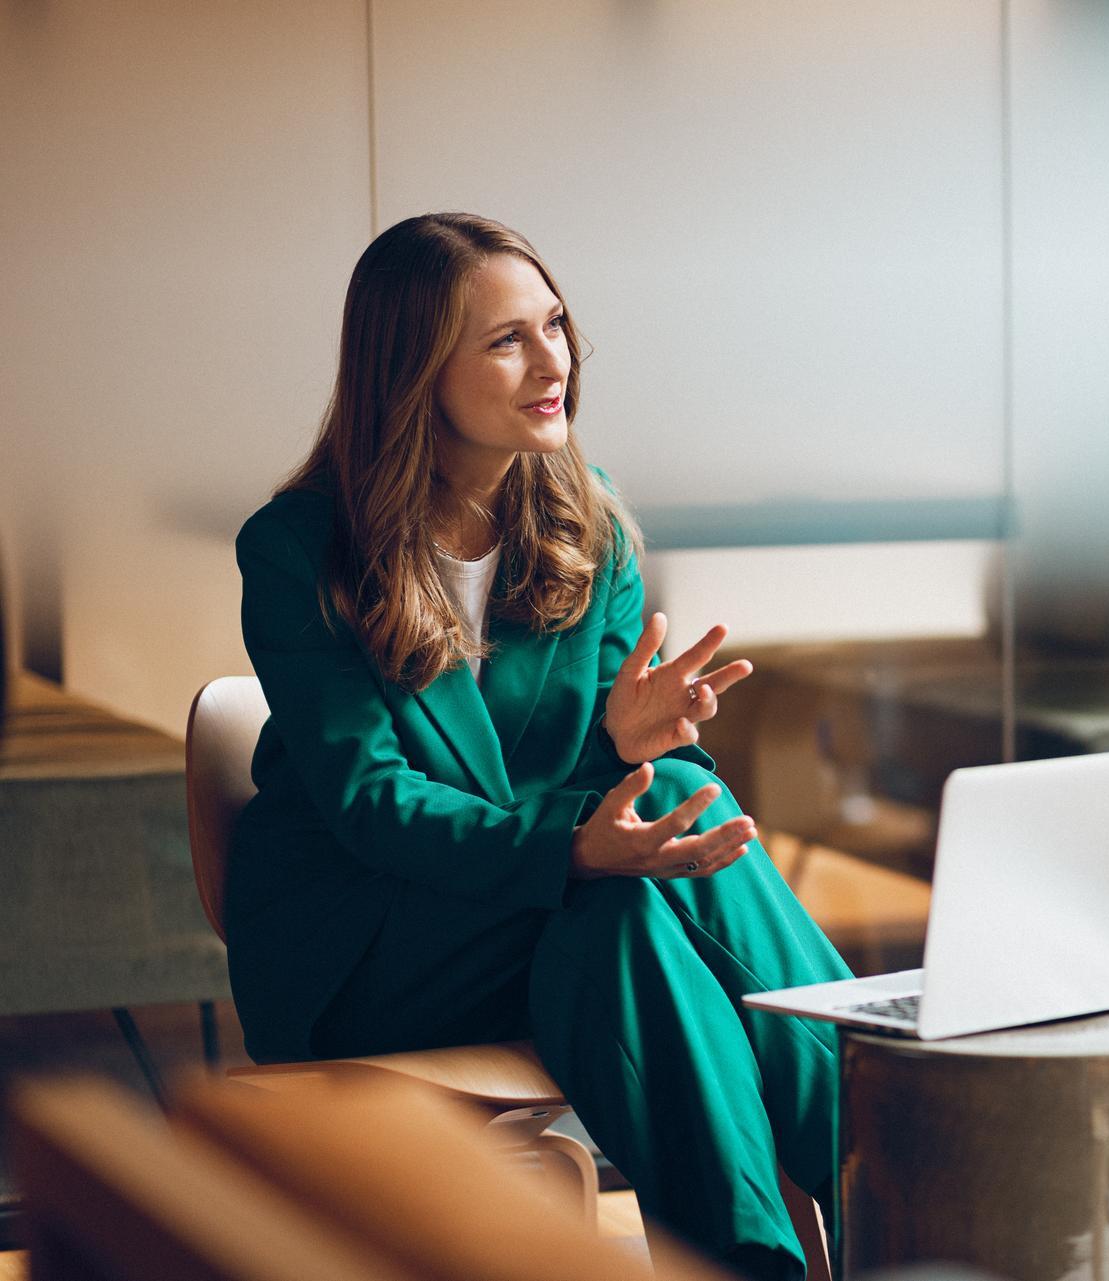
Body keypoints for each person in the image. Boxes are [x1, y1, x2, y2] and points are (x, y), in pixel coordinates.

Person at [225, 213, 850, 1281]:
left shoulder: (583, 522)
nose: (553, 360)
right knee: (611, 895)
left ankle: (770, 1252)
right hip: (373, 945)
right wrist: (573, 843)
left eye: (556, 325)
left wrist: (629, 745)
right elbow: (374, 801)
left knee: (666, 843)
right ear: (415, 370)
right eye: (507, 339)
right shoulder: (298, 550)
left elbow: (596, 787)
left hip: (551, 919)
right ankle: (913, 1157)